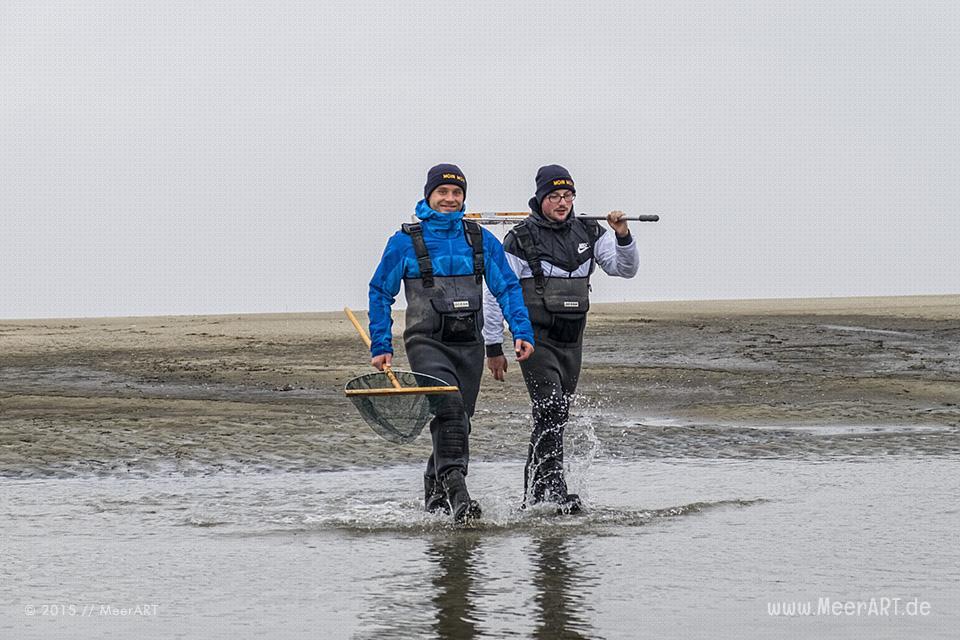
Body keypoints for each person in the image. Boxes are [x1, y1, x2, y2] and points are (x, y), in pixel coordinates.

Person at [369, 163, 535, 523]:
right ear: (429, 195)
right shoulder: (404, 242)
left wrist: (521, 332)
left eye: (456, 192)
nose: (449, 198)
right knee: (449, 411)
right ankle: (460, 497)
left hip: (469, 346)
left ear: (463, 198)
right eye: (442, 192)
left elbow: (507, 287)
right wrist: (381, 344)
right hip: (426, 342)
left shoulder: (478, 239)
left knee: (458, 420)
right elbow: (380, 291)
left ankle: (435, 498)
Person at [483, 164, 639, 513]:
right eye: (554, 196)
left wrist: (623, 235)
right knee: (550, 408)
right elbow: (495, 293)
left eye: (568, 195)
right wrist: (493, 346)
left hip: (572, 341)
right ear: (541, 199)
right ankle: (554, 489)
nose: (562, 202)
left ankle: (536, 496)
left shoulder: (589, 231)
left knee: (555, 415)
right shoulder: (519, 239)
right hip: (535, 340)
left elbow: (624, 269)